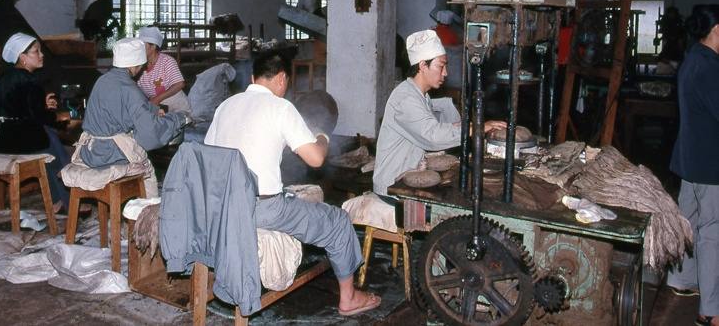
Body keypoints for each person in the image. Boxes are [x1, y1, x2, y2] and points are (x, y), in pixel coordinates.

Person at [204, 51, 381, 317]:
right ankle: (350, 298)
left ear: (252, 78)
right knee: (338, 221)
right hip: (260, 209)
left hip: (220, 204)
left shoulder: (225, 106)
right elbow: (317, 159)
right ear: (282, 78)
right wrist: (322, 137)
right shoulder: (281, 107)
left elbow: (210, 155)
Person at [373, 29, 506, 195]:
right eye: (441, 66)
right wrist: (477, 129)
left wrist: (464, 125)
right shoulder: (405, 98)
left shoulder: (421, 95)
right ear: (423, 65)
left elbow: (428, 125)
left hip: (407, 177)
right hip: (391, 187)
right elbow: (432, 136)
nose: (445, 73)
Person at [77, 38, 185, 198]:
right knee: (148, 168)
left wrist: (154, 110)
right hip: (108, 154)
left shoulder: (103, 80)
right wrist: (176, 119)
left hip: (89, 149)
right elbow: (150, 136)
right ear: (138, 64)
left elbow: (128, 105)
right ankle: (147, 213)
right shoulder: (129, 88)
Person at [666, 4, 719, 326]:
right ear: (717, 29)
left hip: (688, 159)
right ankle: (711, 310)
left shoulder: (693, 60)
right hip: (709, 165)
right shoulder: (710, 67)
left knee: (689, 223)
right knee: (712, 232)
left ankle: (682, 280)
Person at [0, 32, 73, 212]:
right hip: (18, 141)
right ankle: (71, 202)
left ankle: (56, 201)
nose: (41, 55)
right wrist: (62, 116)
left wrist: (41, 104)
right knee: (53, 143)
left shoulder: (4, 77)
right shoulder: (30, 81)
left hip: (0, 139)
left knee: (48, 140)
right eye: (36, 51)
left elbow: (15, 107)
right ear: (23, 57)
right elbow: (39, 117)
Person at [136, 26, 192, 117]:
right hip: (157, 107)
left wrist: (156, 100)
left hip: (177, 106)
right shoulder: (138, 65)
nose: (139, 49)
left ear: (153, 46)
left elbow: (179, 84)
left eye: (143, 45)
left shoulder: (166, 61)